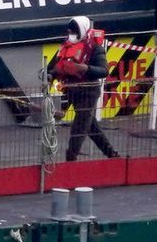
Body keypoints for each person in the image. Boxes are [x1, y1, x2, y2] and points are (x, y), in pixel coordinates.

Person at [49, 16, 118, 162]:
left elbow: (104, 71)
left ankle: (71, 159)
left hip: (89, 92)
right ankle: (113, 156)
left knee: (79, 127)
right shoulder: (66, 46)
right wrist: (50, 75)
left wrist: (85, 68)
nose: (71, 35)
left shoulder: (95, 48)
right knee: (92, 128)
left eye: (74, 32)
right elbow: (55, 67)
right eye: (69, 32)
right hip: (72, 91)